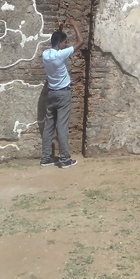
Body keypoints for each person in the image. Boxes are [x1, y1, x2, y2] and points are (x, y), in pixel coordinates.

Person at [40, 16, 84, 169]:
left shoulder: (46, 54)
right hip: (63, 94)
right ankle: (65, 159)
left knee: (49, 126)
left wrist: (60, 30)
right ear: (60, 44)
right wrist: (74, 25)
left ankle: (46, 158)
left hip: (52, 94)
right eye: (65, 42)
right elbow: (80, 42)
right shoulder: (61, 54)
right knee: (62, 127)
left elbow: (55, 44)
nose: (67, 44)